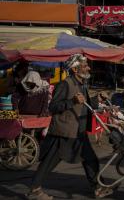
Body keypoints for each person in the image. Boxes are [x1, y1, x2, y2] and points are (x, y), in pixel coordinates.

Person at [26, 54, 112, 200]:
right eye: (85, 65)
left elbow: (84, 104)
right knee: (50, 162)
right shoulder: (65, 84)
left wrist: (96, 99)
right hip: (65, 132)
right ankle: (34, 190)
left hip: (79, 130)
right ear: (75, 69)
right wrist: (72, 101)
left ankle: (98, 187)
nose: (88, 67)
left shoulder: (81, 84)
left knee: (90, 158)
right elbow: (53, 107)